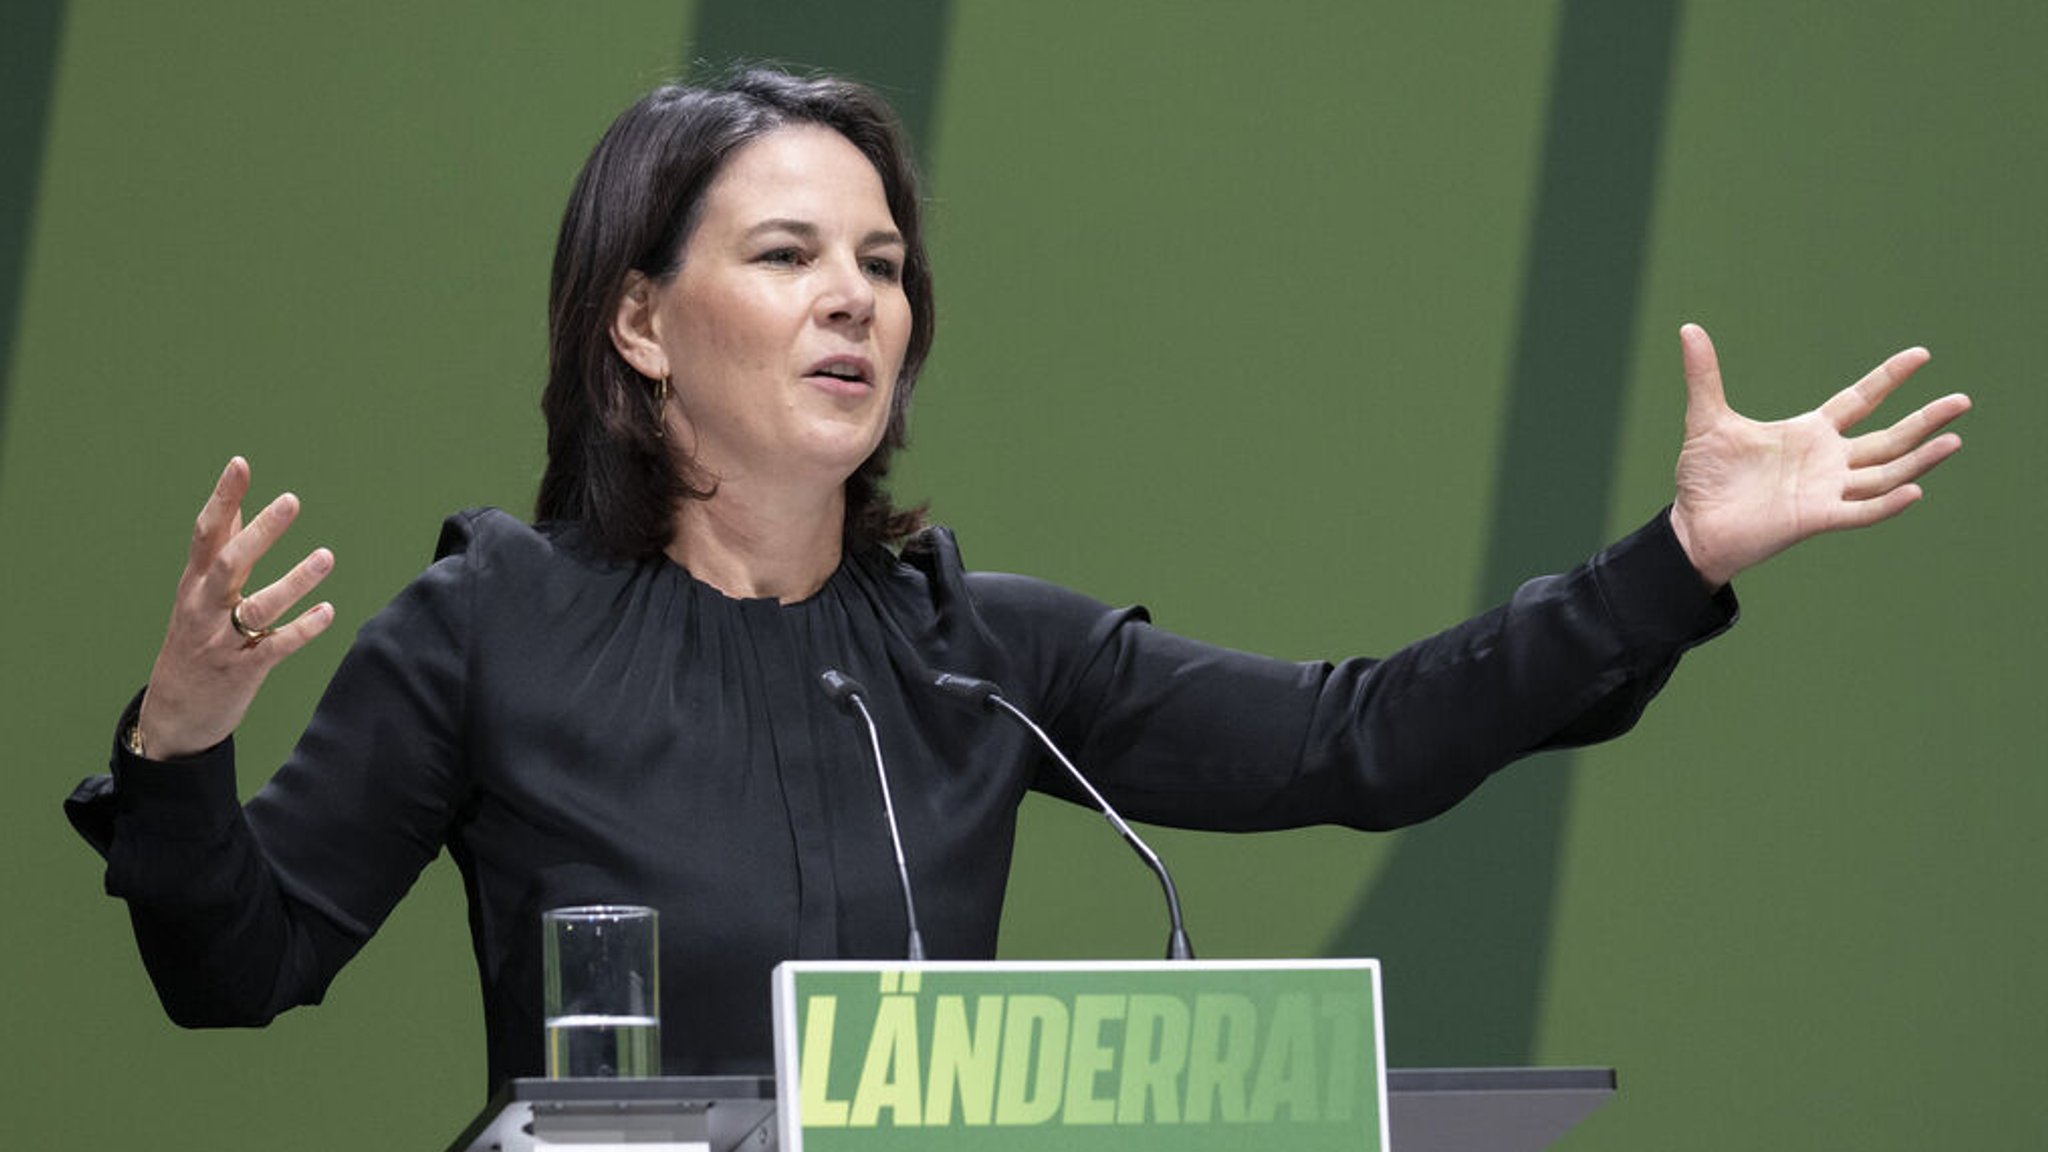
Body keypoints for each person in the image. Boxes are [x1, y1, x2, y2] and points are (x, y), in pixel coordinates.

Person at [66, 68, 1971, 1092]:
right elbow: (238, 974)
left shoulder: (973, 654)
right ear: (640, 322)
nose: (855, 299)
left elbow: (1360, 744)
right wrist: (180, 747)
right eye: (792, 254)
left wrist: (1678, 559)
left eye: (882, 264)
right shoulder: (493, 626)